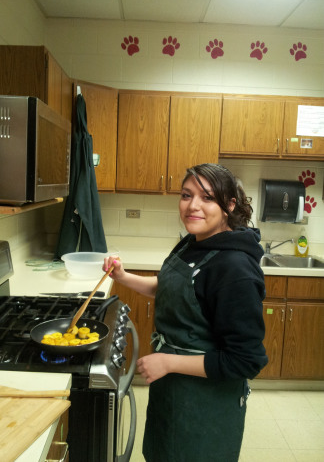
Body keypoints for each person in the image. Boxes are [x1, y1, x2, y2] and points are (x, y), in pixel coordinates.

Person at [103, 163, 268, 462]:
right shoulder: (195, 242)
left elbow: (245, 361)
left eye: (207, 198)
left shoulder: (235, 270)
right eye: (186, 195)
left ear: (229, 205)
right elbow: (171, 287)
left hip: (206, 406)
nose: (193, 206)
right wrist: (123, 277)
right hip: (176, 391)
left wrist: (167, 362)